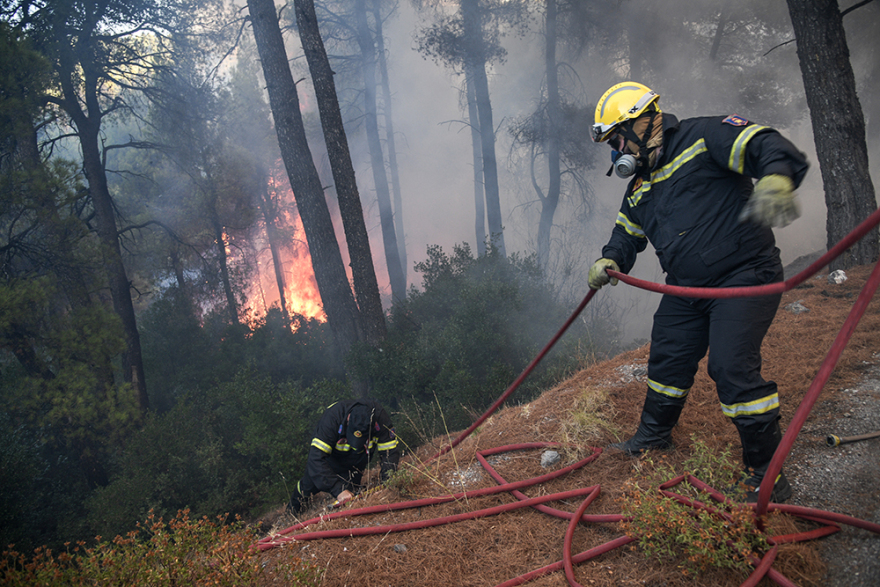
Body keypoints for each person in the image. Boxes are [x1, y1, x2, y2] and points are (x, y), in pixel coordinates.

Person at [588, 82, 809, 503]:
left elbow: (766, 144)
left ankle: (767, 477)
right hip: (687, 288)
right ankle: (653, 437)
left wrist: (778, 177)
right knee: (667, 358)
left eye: (616, 138)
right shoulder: (639, 185)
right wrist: (610, 259)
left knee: (730, 369)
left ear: (641, 120)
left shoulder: (705, 136)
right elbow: (626, 233)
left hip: (745, 276)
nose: (616, 152)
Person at [287, 398, 400, 514]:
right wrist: (338, 490)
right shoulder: (332, 418)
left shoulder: (380, 418)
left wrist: (388, 482)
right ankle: (290, 515)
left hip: (356, 463)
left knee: (351, 497)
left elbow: (390, 452)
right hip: (328, 461)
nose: (355, 445)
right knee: (306, 487)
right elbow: (315, 459)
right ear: (348, 419)